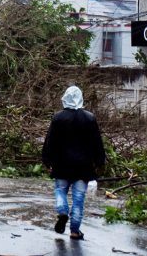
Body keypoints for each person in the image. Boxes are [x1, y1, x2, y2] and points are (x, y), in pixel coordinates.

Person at [42, 86, 106, 241]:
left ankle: (62, 212)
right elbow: (96, 142)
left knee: (60, 190)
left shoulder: (58, 118)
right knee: (78, 199)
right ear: (81, 97)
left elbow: (50, 141)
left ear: (65, 97)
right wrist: (100, 161)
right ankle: (75, 231)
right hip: (83, 166)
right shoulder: (89, 118)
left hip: (61, 164)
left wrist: (47, 160)